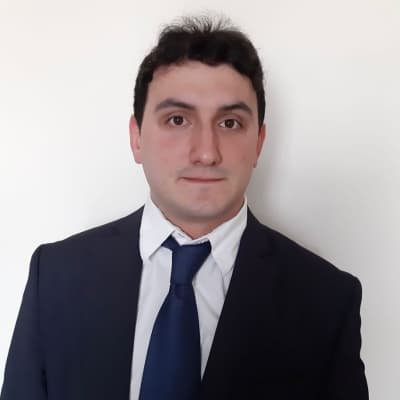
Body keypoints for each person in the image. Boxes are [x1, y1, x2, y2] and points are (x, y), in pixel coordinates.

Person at [1, 15, 368, 400]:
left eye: (230, 123)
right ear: (136, 138)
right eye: (177, 120)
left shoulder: (326, 301)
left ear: (259, 142)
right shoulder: (55, 276)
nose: (206, 153)